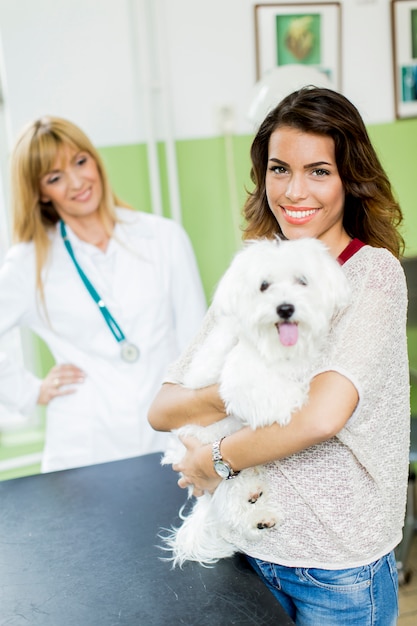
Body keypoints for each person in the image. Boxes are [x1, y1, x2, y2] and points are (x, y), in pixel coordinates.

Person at [148, 86, 410, 625]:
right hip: (249, 551)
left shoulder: (372, 275)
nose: (294, 190)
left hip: (337, 566)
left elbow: (320, 414)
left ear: (349, 178)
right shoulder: (255, 274)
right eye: (278, 169)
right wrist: (237, 388)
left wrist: (216, 457)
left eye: (318, 171)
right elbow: (162, 409)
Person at [0, 115, 206, 473]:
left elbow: (197, 343)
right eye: (55, 177)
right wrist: (29, 391)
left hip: (169, 437)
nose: (77, 182)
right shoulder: (28, 262)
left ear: (95, 159)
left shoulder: (163, 237)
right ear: (39, 192)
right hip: (84, 448)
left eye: (80, 162)